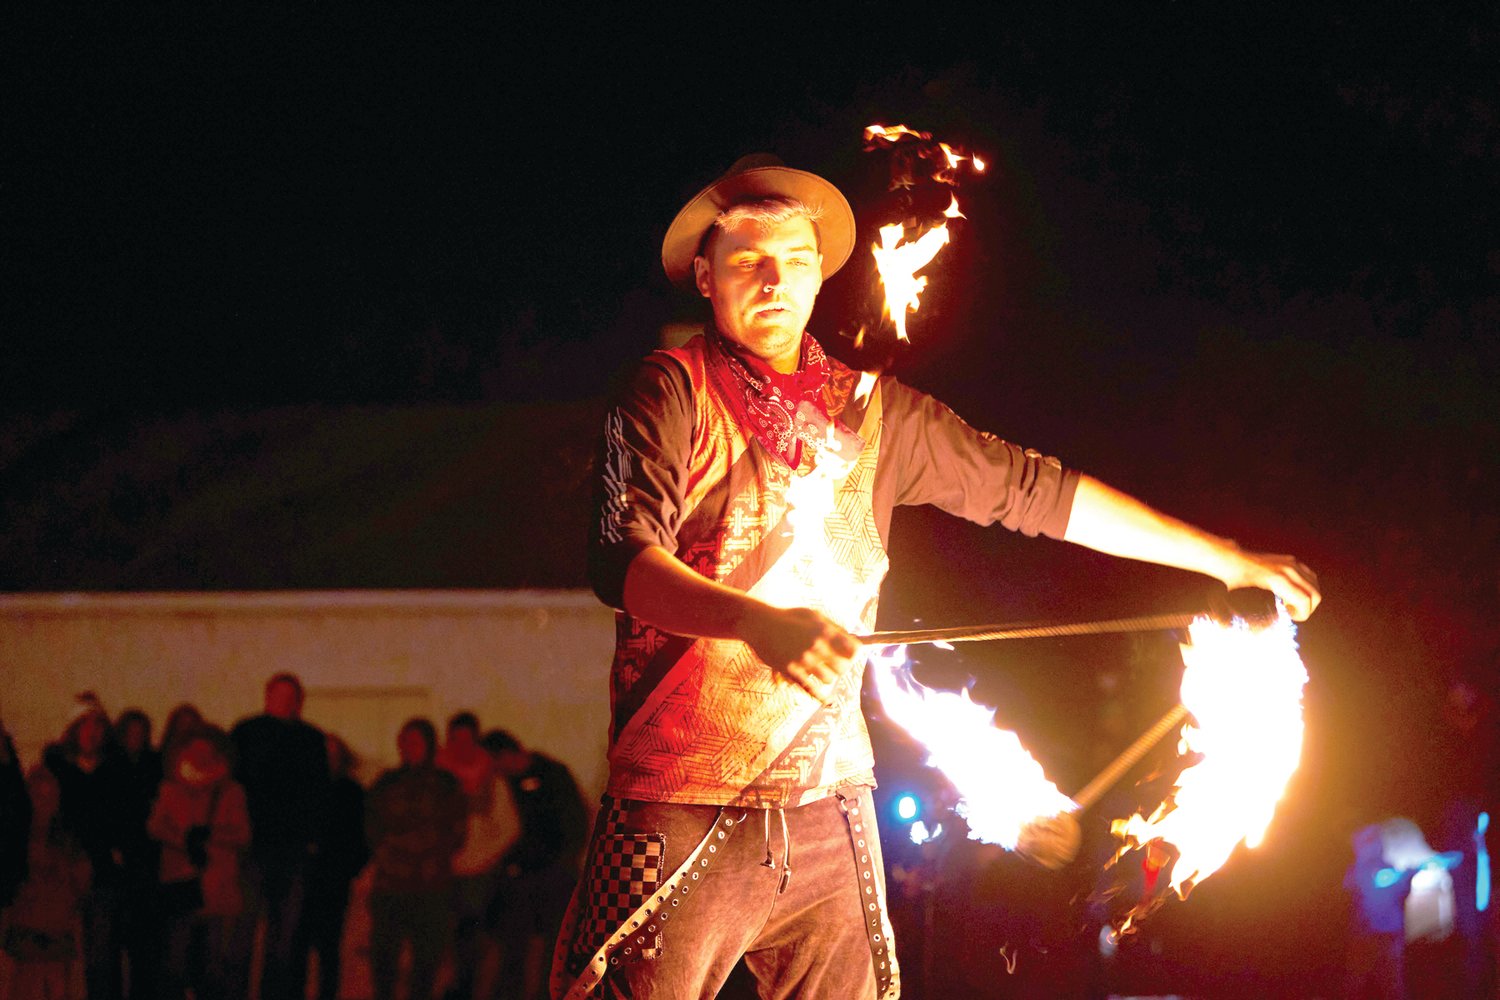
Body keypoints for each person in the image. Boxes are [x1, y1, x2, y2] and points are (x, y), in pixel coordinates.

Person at [553, 154, 1323, 999]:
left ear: (821, 275)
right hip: (678, 799)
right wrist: (757, 622)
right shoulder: (667, 392)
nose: (773, 279)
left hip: (828, 800)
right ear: (705, 275)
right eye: (746, 261)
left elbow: (1037, 492)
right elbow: (621, 561)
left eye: (795, 260)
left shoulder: (877, 413)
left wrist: (1224, 559)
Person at [230, 673, 330, 1000]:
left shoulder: (312, 739)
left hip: (293, 852)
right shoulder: (245, 733)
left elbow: (319, 794)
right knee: (241, 935)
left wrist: (311, 841)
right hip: (251, 849)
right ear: (267, 696)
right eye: (280, 695)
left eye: (291, 696)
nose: (286, 702)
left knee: (285, 940)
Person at [365, 718, 467, 1000]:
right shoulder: (386, 783)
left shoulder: (447, 784)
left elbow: (457, 832)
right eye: (406, 741)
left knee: (425, 964)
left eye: (417, 741)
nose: (410, 747)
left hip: (431, 887)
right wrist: (389, 857)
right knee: (384, 960)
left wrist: (429, 857)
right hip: (390, 886)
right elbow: (371, 828)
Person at [148, 727, 252, 1000]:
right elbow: (155, 826)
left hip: (216, 888)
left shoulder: (232, 791)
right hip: (181, 885)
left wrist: (209, 835)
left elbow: (243, 833)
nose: (201, 757)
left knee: (213, 965)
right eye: (196, 751)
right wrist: (184, 841)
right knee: (175, 962)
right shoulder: (170, 789)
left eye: (207, 752)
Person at [484, 730, 587, 1000]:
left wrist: (562, 864)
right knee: (512, 946)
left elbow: (575, 823)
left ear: (506, 755)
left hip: (555, 876)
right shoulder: (505, 785)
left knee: (555, 951)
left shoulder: (552, 774)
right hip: (520, 877)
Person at [43, 691, 124, 999]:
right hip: (63, 872)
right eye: (85, 726)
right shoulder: (57, 771)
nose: (92, 733)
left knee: (102, 956)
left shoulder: (115, 770)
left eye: (98, 726)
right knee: (57, 957)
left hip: (103, 872)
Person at [438, 713, 519, 1000]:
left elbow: (509, 828)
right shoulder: (439, 778)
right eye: (455, 739)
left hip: (478, 877)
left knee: (472, 942)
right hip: (441, 874)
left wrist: (481, 858)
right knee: (443, 942)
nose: (461, 746)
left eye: (466, 740)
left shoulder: (492, 781)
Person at [3, 765, 91, 1000]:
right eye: (38, 796)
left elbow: (81, 880)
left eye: (50, 797)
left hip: (57, 930)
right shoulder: (16, 838)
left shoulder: (67, 839)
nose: (44, 803)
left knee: (57, 988)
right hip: (27, 930)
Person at [98, 707, 164, 999]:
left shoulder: (154, 764)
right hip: (119, 859)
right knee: (112, 939)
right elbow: (106, 812)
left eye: (141, 733)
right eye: (131, 732)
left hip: (147, 859)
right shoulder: (110, 765)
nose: (136, 738)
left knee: (145, 939)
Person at [299, 734, 369, 1000]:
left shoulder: (352, 791)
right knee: (298, 941)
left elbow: (361, 837)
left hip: (334, 877)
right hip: (304, 875)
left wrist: (351, 867)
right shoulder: (303, 789)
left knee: (329, 944)